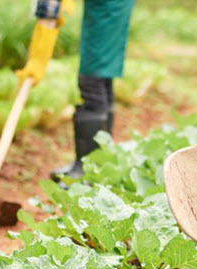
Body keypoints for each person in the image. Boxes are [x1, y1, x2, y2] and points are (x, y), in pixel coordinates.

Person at [17, 0, 136, 182]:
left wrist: (39, 55)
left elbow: (50, 6)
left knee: (92, 79)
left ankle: (88, 170)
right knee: (102, 76)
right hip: (108, 6)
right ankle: (100, 164)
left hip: (108, 7)